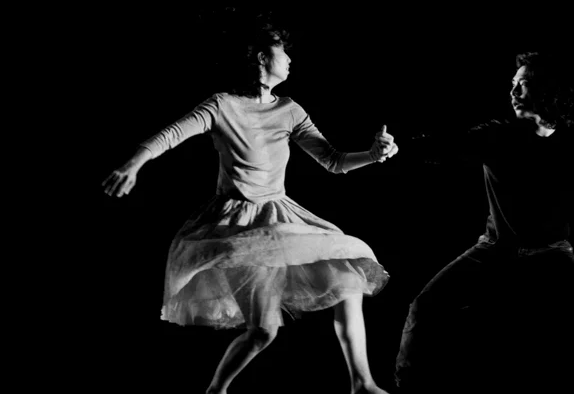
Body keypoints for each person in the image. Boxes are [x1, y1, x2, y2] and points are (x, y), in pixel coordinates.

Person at [102, 19, 399, 394]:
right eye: (282, 50)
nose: (289, 59)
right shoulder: (222, 105)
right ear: (261, 57)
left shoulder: (289, 110)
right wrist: (132, 165)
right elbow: (171, 135)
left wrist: (373, 155)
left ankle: (363, 383)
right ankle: (216, 391)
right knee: (263, 332)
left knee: (349, 275)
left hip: (280, 218)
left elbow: (334, 160)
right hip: (238, 226)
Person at [394, 52, 574, 393]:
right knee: (424, 307)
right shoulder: (497, 135)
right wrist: (397, 147)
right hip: (495, 249)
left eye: (523, 84)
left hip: (552, 251)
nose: (513, 92)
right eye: (513, 84)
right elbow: (445, 146)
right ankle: (406, 385)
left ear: (546, 91)